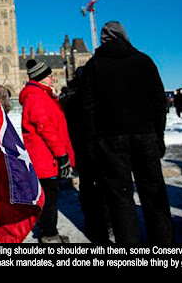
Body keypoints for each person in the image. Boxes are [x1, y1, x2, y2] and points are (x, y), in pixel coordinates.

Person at [79, 21, 173, 243]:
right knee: (154, 194)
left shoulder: (94, 66)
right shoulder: (144, 61)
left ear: (104, 40)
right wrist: (158, 136)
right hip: (145, 136)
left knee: (120, 198)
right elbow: (160, 103)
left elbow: (87, 109)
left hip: (111, 140)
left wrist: (93, 144)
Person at [19, 59, 75, 243]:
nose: (53, 78)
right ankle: (49, 236)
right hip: (45, 158)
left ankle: (48, 232)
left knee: (50, 195)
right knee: (50, 198)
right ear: (41, 78)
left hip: (46, 157)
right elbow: (46, 128)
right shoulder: (37, 97)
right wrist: (61, 155)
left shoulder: (41, 94)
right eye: (50, 76)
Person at [61, 67, 110, 243]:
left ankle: (93, 225)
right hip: (97, 150)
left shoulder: (69, 101)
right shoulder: (97, 97)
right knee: (103, 187)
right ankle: (106, 223)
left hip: (81, 151)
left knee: (88, 188)